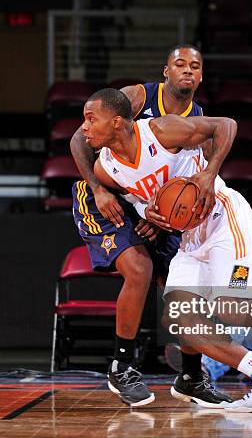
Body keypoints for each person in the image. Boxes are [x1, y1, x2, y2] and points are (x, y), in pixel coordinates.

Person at [86, 87, 252, 413]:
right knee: (182, 322)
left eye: (90, 119)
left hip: (224, 222)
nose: (84, 127)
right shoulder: (105, 168)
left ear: (117, 122)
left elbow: (226, 124)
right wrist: (148, 213)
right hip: (189, 240)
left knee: (233, 314)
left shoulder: (160, 130)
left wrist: (208, 173)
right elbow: (138, 199)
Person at [70, 45, 220, 406]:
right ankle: (121, 366)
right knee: (139, 269)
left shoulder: (195, 118)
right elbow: (80, 138)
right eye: (179, 64)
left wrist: (166, 219)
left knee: (181, 286)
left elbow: (182, 181)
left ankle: (191, 376)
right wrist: (96, 187)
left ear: (200, 76)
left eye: (195, 66)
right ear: (165, 70)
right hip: (108, 196)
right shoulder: (138, 97)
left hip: (152, 207)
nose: (187, 70)